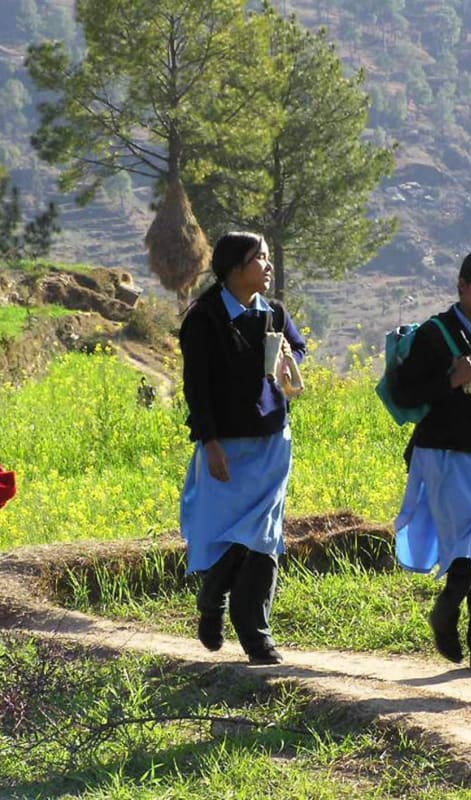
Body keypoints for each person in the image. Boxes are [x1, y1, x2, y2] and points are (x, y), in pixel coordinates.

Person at [179, 230, 306, 665]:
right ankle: (213, 597)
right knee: (234, 532)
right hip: (228, 444)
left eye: (268, 258)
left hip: (272, 438)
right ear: (236, 267)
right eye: (261, 259)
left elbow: (300, 350)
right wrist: (210, 444)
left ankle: (256, 635)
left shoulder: (274, 312)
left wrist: (291, 354)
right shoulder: (204, 318)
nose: (268, 266)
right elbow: (196, 388)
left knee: (265, 536)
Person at [392, 249, 471, 674]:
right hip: (443, 454)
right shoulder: (434, 333)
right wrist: (451, 380)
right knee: (470, 543)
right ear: (461, 286)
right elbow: (406, 394)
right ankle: (447, 611)